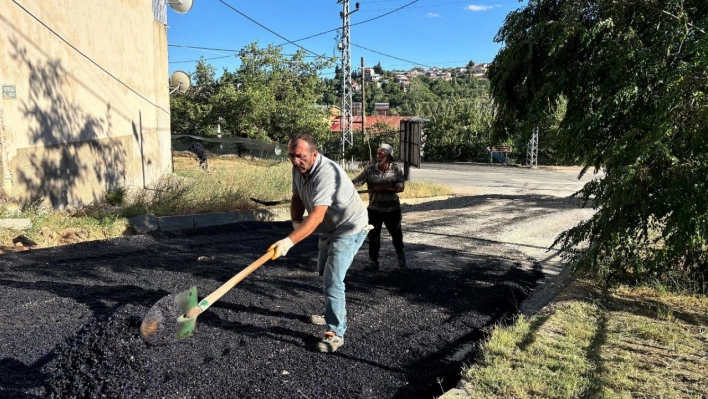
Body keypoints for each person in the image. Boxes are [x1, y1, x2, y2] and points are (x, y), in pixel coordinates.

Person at [267, 132, 370, 353]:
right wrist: (295, 223)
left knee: (333, 280)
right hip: (328, 229)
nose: (295, 161)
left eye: (300, 156)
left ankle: (336, 332)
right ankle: (333, 311)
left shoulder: (327, 174)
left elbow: (316, 216)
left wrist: (289, 241)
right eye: (291, 156)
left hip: (349, 227)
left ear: (314, 154)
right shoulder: (298, 170)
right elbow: (297, 197)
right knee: (324, 272)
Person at [352, 143, 406, 271]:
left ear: (388, 155)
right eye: (377, 153)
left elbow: (400, 188)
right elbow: (356, 182)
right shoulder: (370, 170)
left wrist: (383, 188)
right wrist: (347, 186)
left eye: (381, 153)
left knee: (396, 234)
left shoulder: (396, 169)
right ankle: (373, 261)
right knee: (373, 235)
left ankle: (400, 254)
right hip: (374, 209)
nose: (378, 155)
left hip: (392, 209)